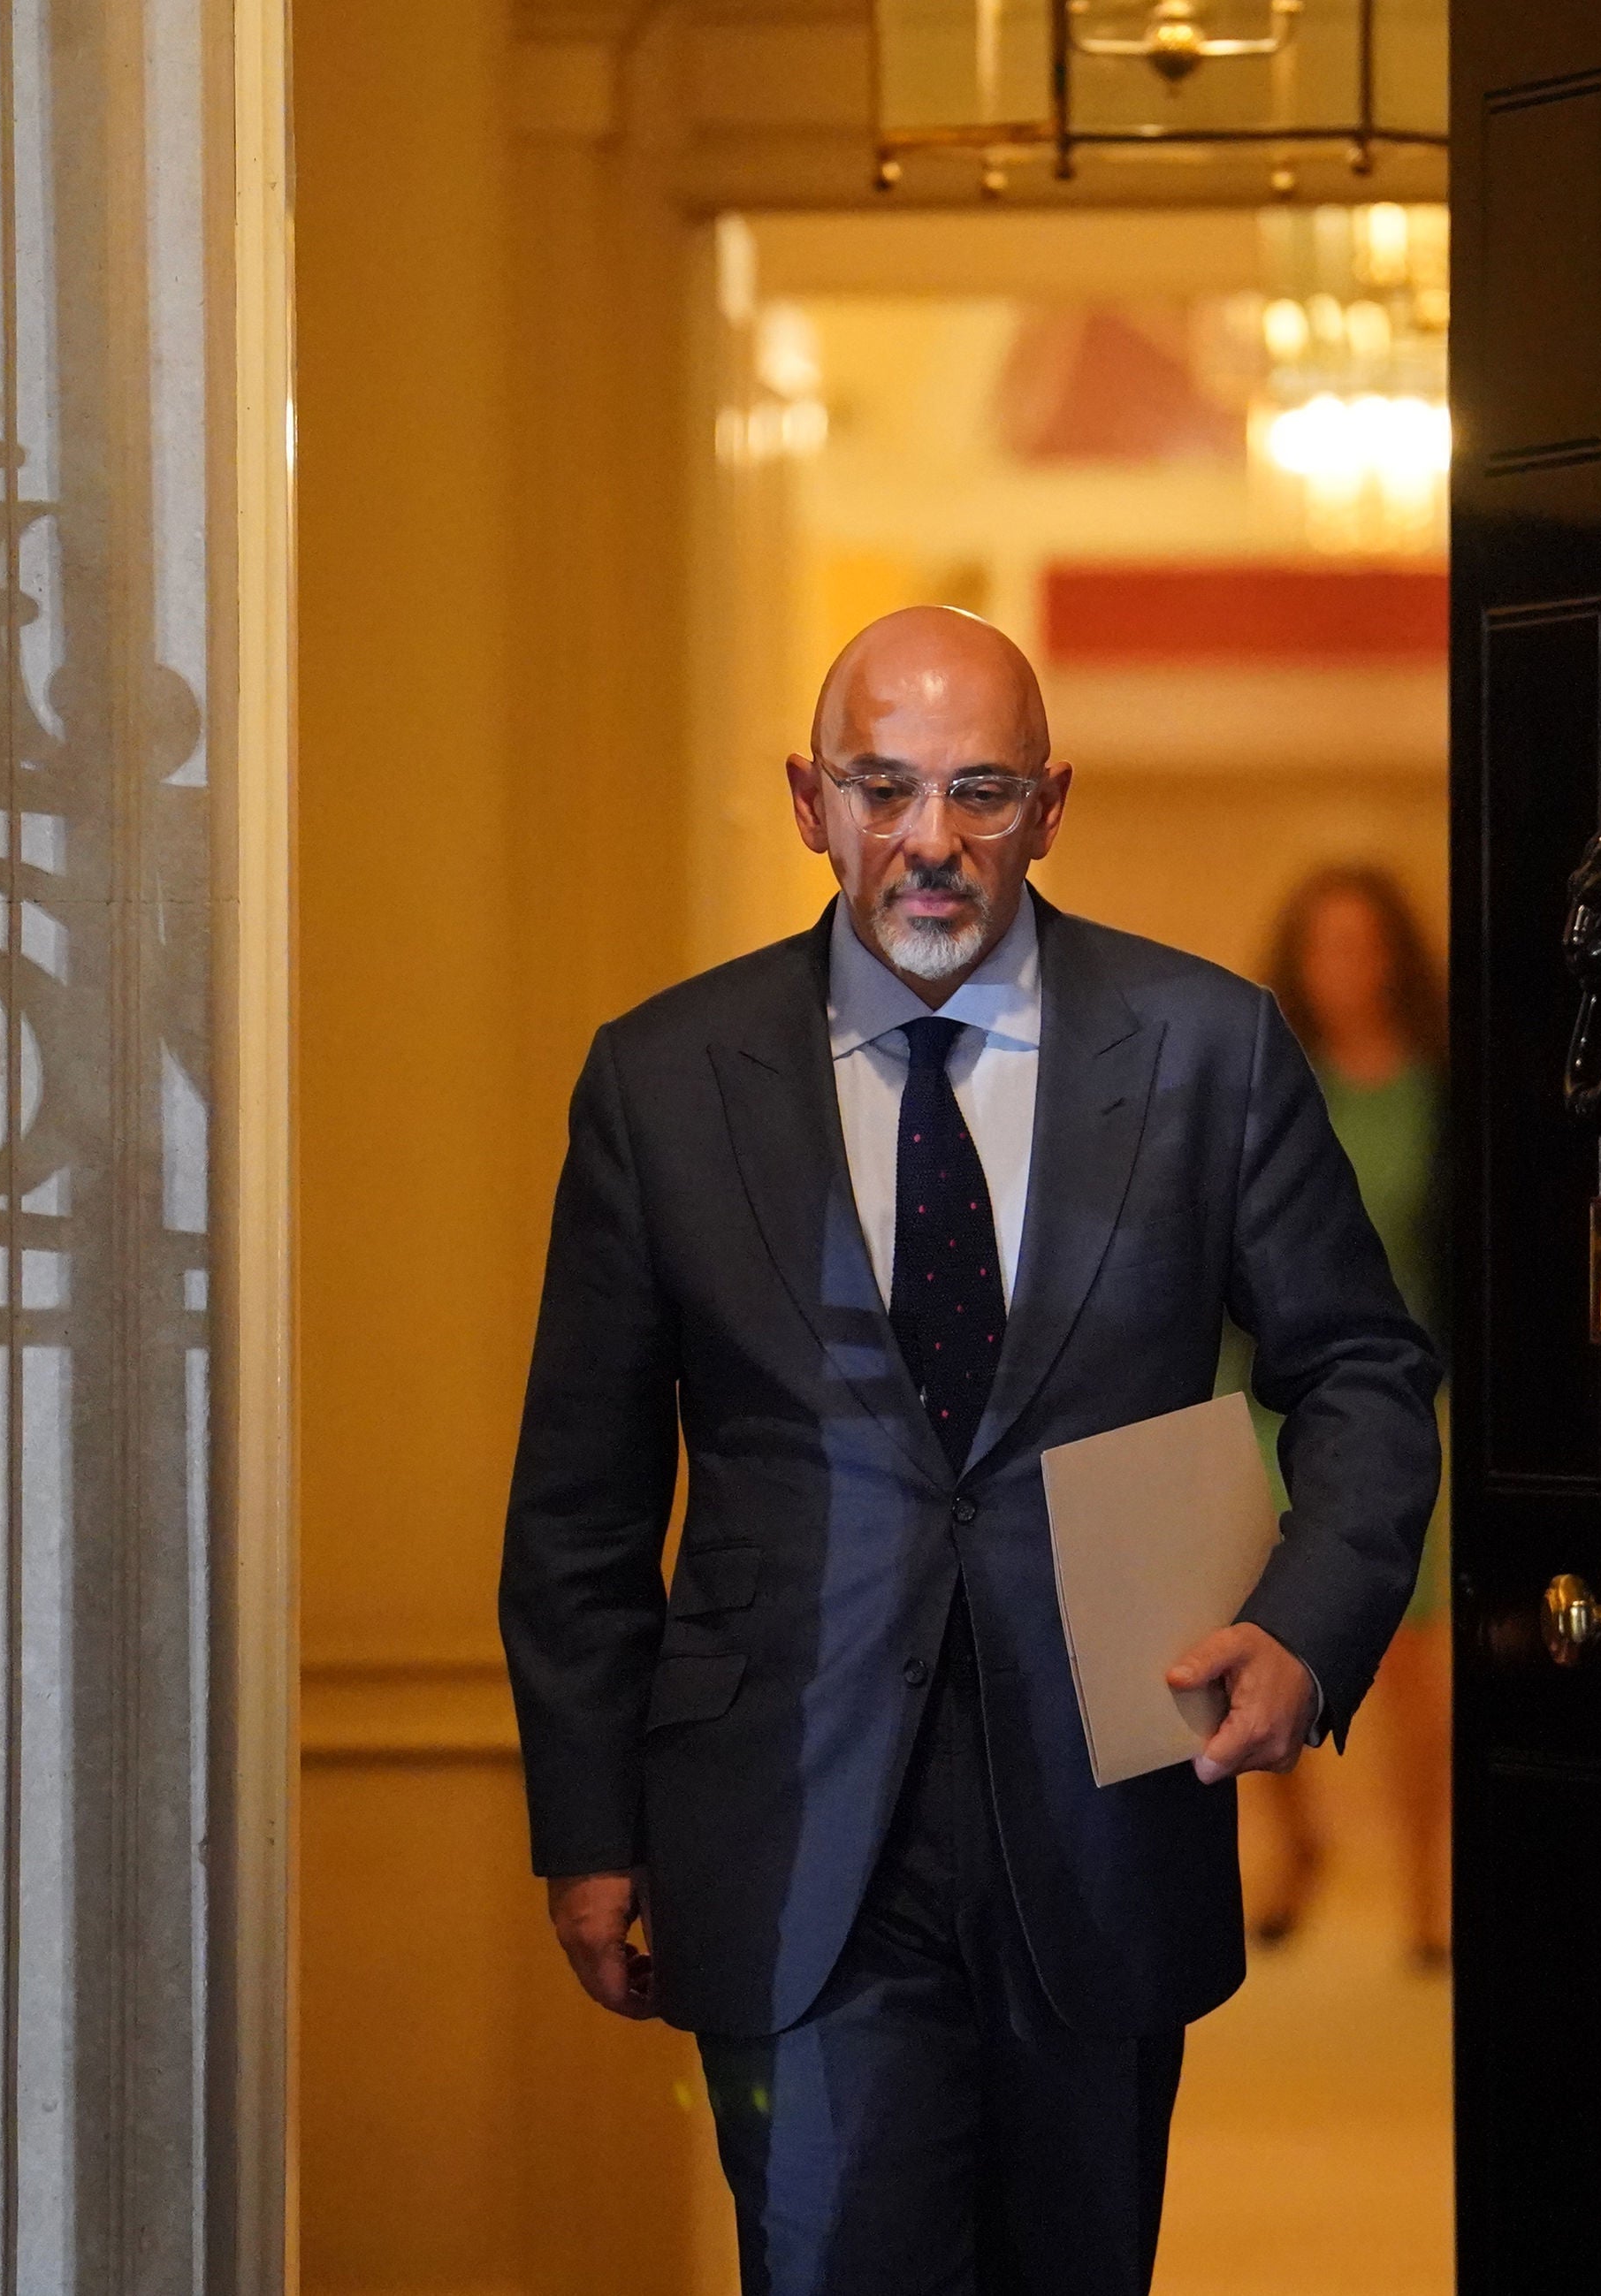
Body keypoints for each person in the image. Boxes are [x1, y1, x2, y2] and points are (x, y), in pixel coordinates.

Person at [498, 606, 1442, 2295]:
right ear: (810, 799)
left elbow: (1364, 1367)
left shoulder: (1205, 1048)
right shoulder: (658, 1080)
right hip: (784, 1817)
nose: (932, 839)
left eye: (982, 789)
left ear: (1051, 804)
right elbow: (582, 1495)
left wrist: (1307, 1623)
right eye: (885, 786)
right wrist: (587, 1819)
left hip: (1104, 1793)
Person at [1229, 866, 1451, 1968]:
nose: (1346, 969)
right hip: (1271, 1396)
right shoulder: (1272, 1087)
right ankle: (1293, 1844)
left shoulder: (1438, 1092)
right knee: (1259, 1624)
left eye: (1365, 946)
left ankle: (1431, 1883)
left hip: (1407, 1393)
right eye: (1324, 948)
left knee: (1416, 1661)